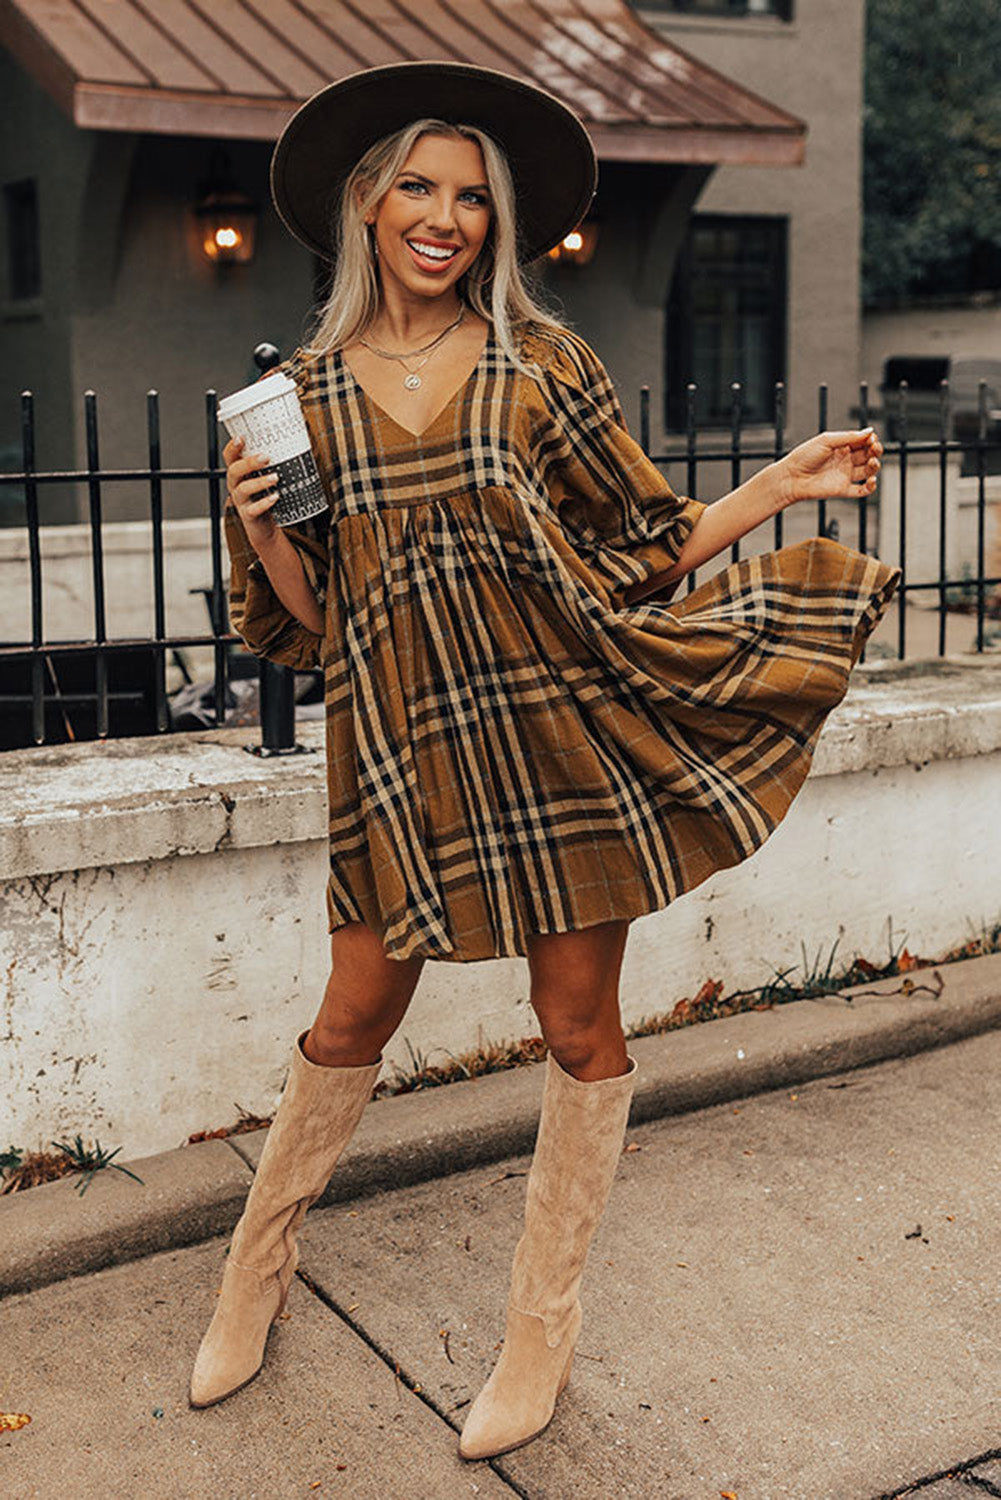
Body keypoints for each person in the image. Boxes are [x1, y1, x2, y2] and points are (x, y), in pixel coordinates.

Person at [189, 60, 901, 1461]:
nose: (445, 216)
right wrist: (265, 525)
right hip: (398, 749)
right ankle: (250, 1278)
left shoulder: (540, 363)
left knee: (577, 1032)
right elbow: (320, 631)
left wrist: (777, 485)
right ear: (367, 204)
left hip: (556, 734)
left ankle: (537, 1335)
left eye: (471, 196)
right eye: (418, 187)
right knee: (349, 1022)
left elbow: (636, 555)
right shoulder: (303, 398)